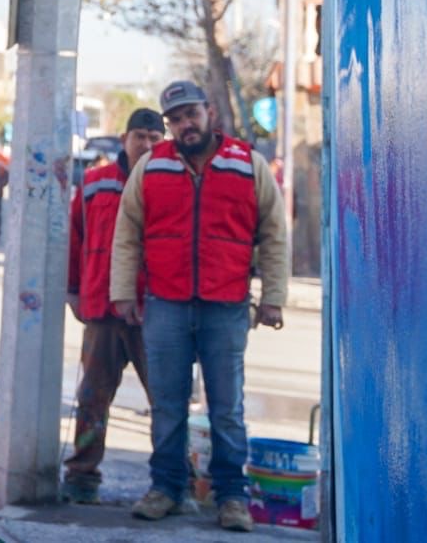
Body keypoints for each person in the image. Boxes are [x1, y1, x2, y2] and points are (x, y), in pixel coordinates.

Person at [110, 81, 290, 533]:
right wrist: (123, 292)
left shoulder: (248, 164)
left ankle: (231, 497)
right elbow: (127, 234)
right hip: (165, 303)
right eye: (175, 119)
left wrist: (273, 297)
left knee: (227, 408)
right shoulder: (151, 168)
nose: (184, 124)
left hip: (226, 304)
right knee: (167, 406)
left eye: (191, 114)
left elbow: (274, 233)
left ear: (209, 112)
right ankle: (167, 489)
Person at [61, 108, 165, 503]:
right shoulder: (94, 183)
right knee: (92, 397)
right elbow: (74, 240)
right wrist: (72, 289)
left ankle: (173, 480)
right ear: (125, 138)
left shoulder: (171, 182)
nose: (148, 144)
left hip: (154, 314)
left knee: (165, 399)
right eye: (140, 135)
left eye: (155, 138)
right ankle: (82, 476)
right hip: (102, 312)